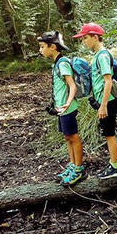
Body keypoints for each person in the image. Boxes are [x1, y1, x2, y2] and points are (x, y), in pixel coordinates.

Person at [72, 23, 117, 179]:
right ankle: (113, 163)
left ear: (95, 37)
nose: (84, 41)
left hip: (107, 102)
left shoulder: (102, 56)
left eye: (85, 38)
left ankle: (116, 166)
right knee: (107, 133)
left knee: (109, 134)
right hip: (104, 101)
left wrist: (103, 105)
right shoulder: (99, 55)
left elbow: (108, 81)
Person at [38, 31, 85, 186]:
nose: (40, 50)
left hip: (67, 108)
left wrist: (67, 103)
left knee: (73, 136)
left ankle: (79, 169)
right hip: (61, 108)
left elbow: (72, 86)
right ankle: (72, 165)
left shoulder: (63, 63)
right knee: (67, 137)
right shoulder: (57, 63)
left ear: (52, 47)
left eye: (42, 47)